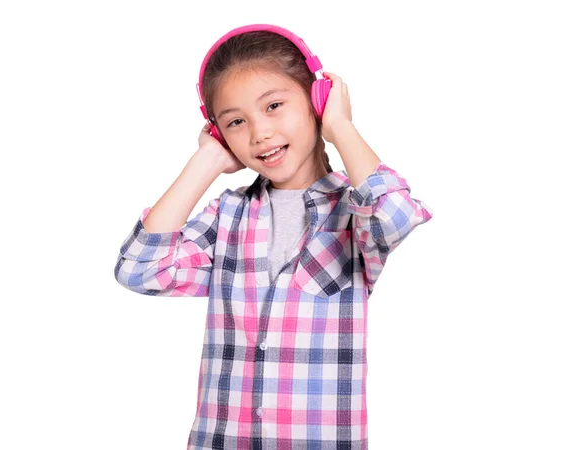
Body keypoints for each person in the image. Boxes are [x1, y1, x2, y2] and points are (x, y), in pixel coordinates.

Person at [114, 24, 434, 450]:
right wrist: (206, 160)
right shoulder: (226, 216)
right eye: (235, 122)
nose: (259, 133)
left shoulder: (354, 213)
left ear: (314, 101)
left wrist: (339, 125)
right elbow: (138, 270)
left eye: (274, 106)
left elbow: (396, 214)